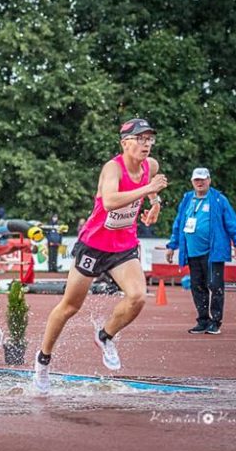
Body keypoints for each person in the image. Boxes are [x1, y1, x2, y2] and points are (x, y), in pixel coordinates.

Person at [33, 118, 168, 394]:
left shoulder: (150, 166)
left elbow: (153, 190)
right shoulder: (112, 168)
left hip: (123, 246)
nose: (146, 144)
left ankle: (105, 336)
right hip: (94, 245)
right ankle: (43, 360)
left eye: (149, 139)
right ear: (125, 142)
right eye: (140, 139)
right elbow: (109, 201)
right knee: (70, 307)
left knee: (138, 297)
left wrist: (155, 204)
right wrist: (148, 191)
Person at [165, 167, 236, 335]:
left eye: (203, 179)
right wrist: (172, 246)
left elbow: (232, 222)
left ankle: (215, 322)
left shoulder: (218, 200)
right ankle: (202, 320)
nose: (200, 183)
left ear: (209, 180)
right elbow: (178, 223)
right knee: (197, 287)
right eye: (196, 180)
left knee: (215, 286)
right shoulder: (187, 199)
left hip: (213, 252)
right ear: (192, 182)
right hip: (192, 252)